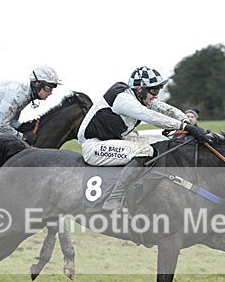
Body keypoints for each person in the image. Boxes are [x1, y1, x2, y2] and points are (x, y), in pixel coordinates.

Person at [77, 66, 208, 211]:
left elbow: (168, 110)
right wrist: (185, 127)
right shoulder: (123, 99)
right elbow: (149, 116)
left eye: (158, 90)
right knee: (145, 151)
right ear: (140, 89)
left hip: (115, 141)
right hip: (94, 146)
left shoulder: (141, 97)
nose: (156, 95)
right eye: (154, 90)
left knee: (164, 144)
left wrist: (188, 123)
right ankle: (114, 198)